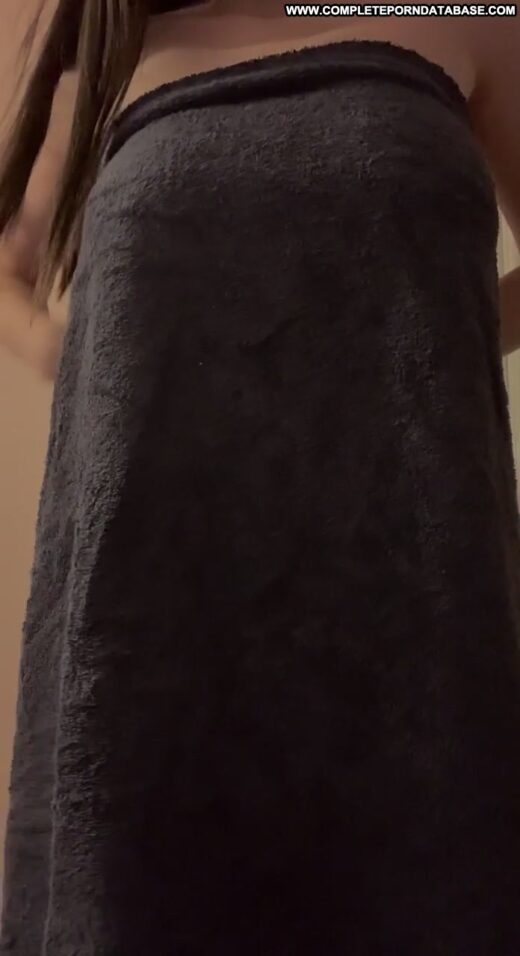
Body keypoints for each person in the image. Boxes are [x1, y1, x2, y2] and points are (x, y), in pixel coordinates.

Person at [0, 1, 519, 953]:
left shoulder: (462, 17)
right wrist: (87, 359)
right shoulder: (115, 46)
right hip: (153, 615)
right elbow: (10, 266)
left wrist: (430, 320)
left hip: (410, 599)